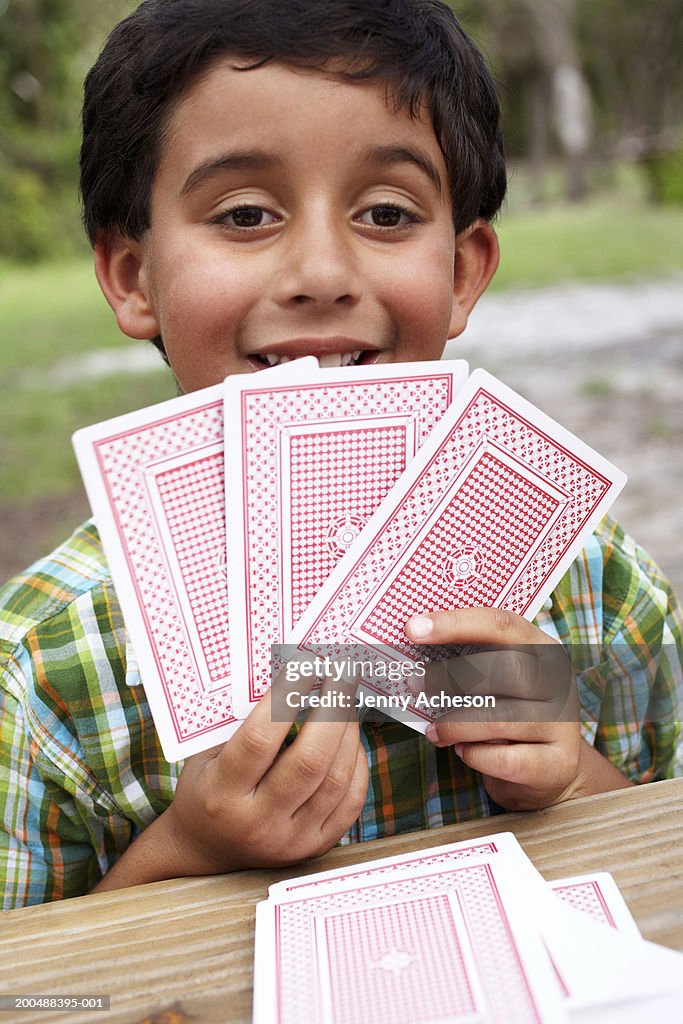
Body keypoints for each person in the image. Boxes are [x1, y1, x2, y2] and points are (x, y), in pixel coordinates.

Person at [1, 0, 680, 910]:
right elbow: (32, 988)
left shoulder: (596, 592)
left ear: (462, 272)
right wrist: (189, 845)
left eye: (387, 213)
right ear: (134, 277)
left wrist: (571, 781)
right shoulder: (43, 673)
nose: (322, 271)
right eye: (243, 215)